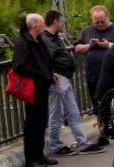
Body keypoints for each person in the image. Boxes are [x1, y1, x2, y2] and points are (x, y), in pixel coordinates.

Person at [39, 10, 94, 157]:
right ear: (56, 21)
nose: (62, 23)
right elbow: (46, 58)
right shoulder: (46, 39)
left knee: (69, 111)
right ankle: (59, 144)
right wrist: (52, 74)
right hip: (58, 78)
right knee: (59, 112)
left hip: (63, 77)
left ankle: (80, 143)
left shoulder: (54, 37)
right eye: (61, 21)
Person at [11, 13, 55, 167]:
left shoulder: (38, 40)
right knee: (33, 122)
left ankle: (39, 154)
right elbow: (19, 65)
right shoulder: (23, 42)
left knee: (41, 121)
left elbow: (44, 61)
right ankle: (31, 158)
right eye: (42, 24)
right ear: (33, 25)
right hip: (33, 86)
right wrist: (39, 74)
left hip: (42, 85)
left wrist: (49, 74)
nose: (44, 26)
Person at [74, 5, 114, 95]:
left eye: (102, 22)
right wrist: (90, 45)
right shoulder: (87, 31)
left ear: (108, 17)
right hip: (93, 78)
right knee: (97, 105)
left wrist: (109, 45)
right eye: (96, 23)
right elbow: (77, 48)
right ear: (92, 20)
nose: (100, 25)